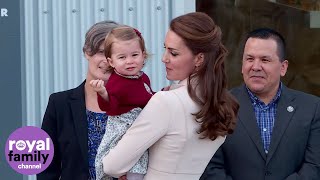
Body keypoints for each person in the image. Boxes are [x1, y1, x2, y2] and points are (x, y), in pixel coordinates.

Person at [98, 12, 239, 180]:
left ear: (199, 59)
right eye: (165, 49)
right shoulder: (220, 103)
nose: (164, 59)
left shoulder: (166, 101)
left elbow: (112, 166)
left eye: (173, 53)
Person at [200, 28, 320, 180]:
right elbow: (210, 167)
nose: (255, 67)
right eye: (250, 59)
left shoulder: (312, 108)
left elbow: (314, 166)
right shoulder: (218, 106)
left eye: (265, 60)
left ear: (283, 68)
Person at [37, 21, 119, 180]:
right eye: (101, 52)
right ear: (87, 52)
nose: (107, 61)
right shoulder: (59, 104)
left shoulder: (136, 105)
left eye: (114, 54)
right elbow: (47, 169)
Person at [90, 26, 154, 180]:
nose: (130, 61)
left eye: (134, 55)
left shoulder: (142, 77)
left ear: (143, 55)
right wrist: (103, 93)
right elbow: (110, 107)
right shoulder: (116, 83)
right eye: (122, 57)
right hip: (123, 128)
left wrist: (159, 95)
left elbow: (146, 98)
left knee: (141, 160)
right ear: (111, 61)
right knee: (129, 162)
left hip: (140, 125)